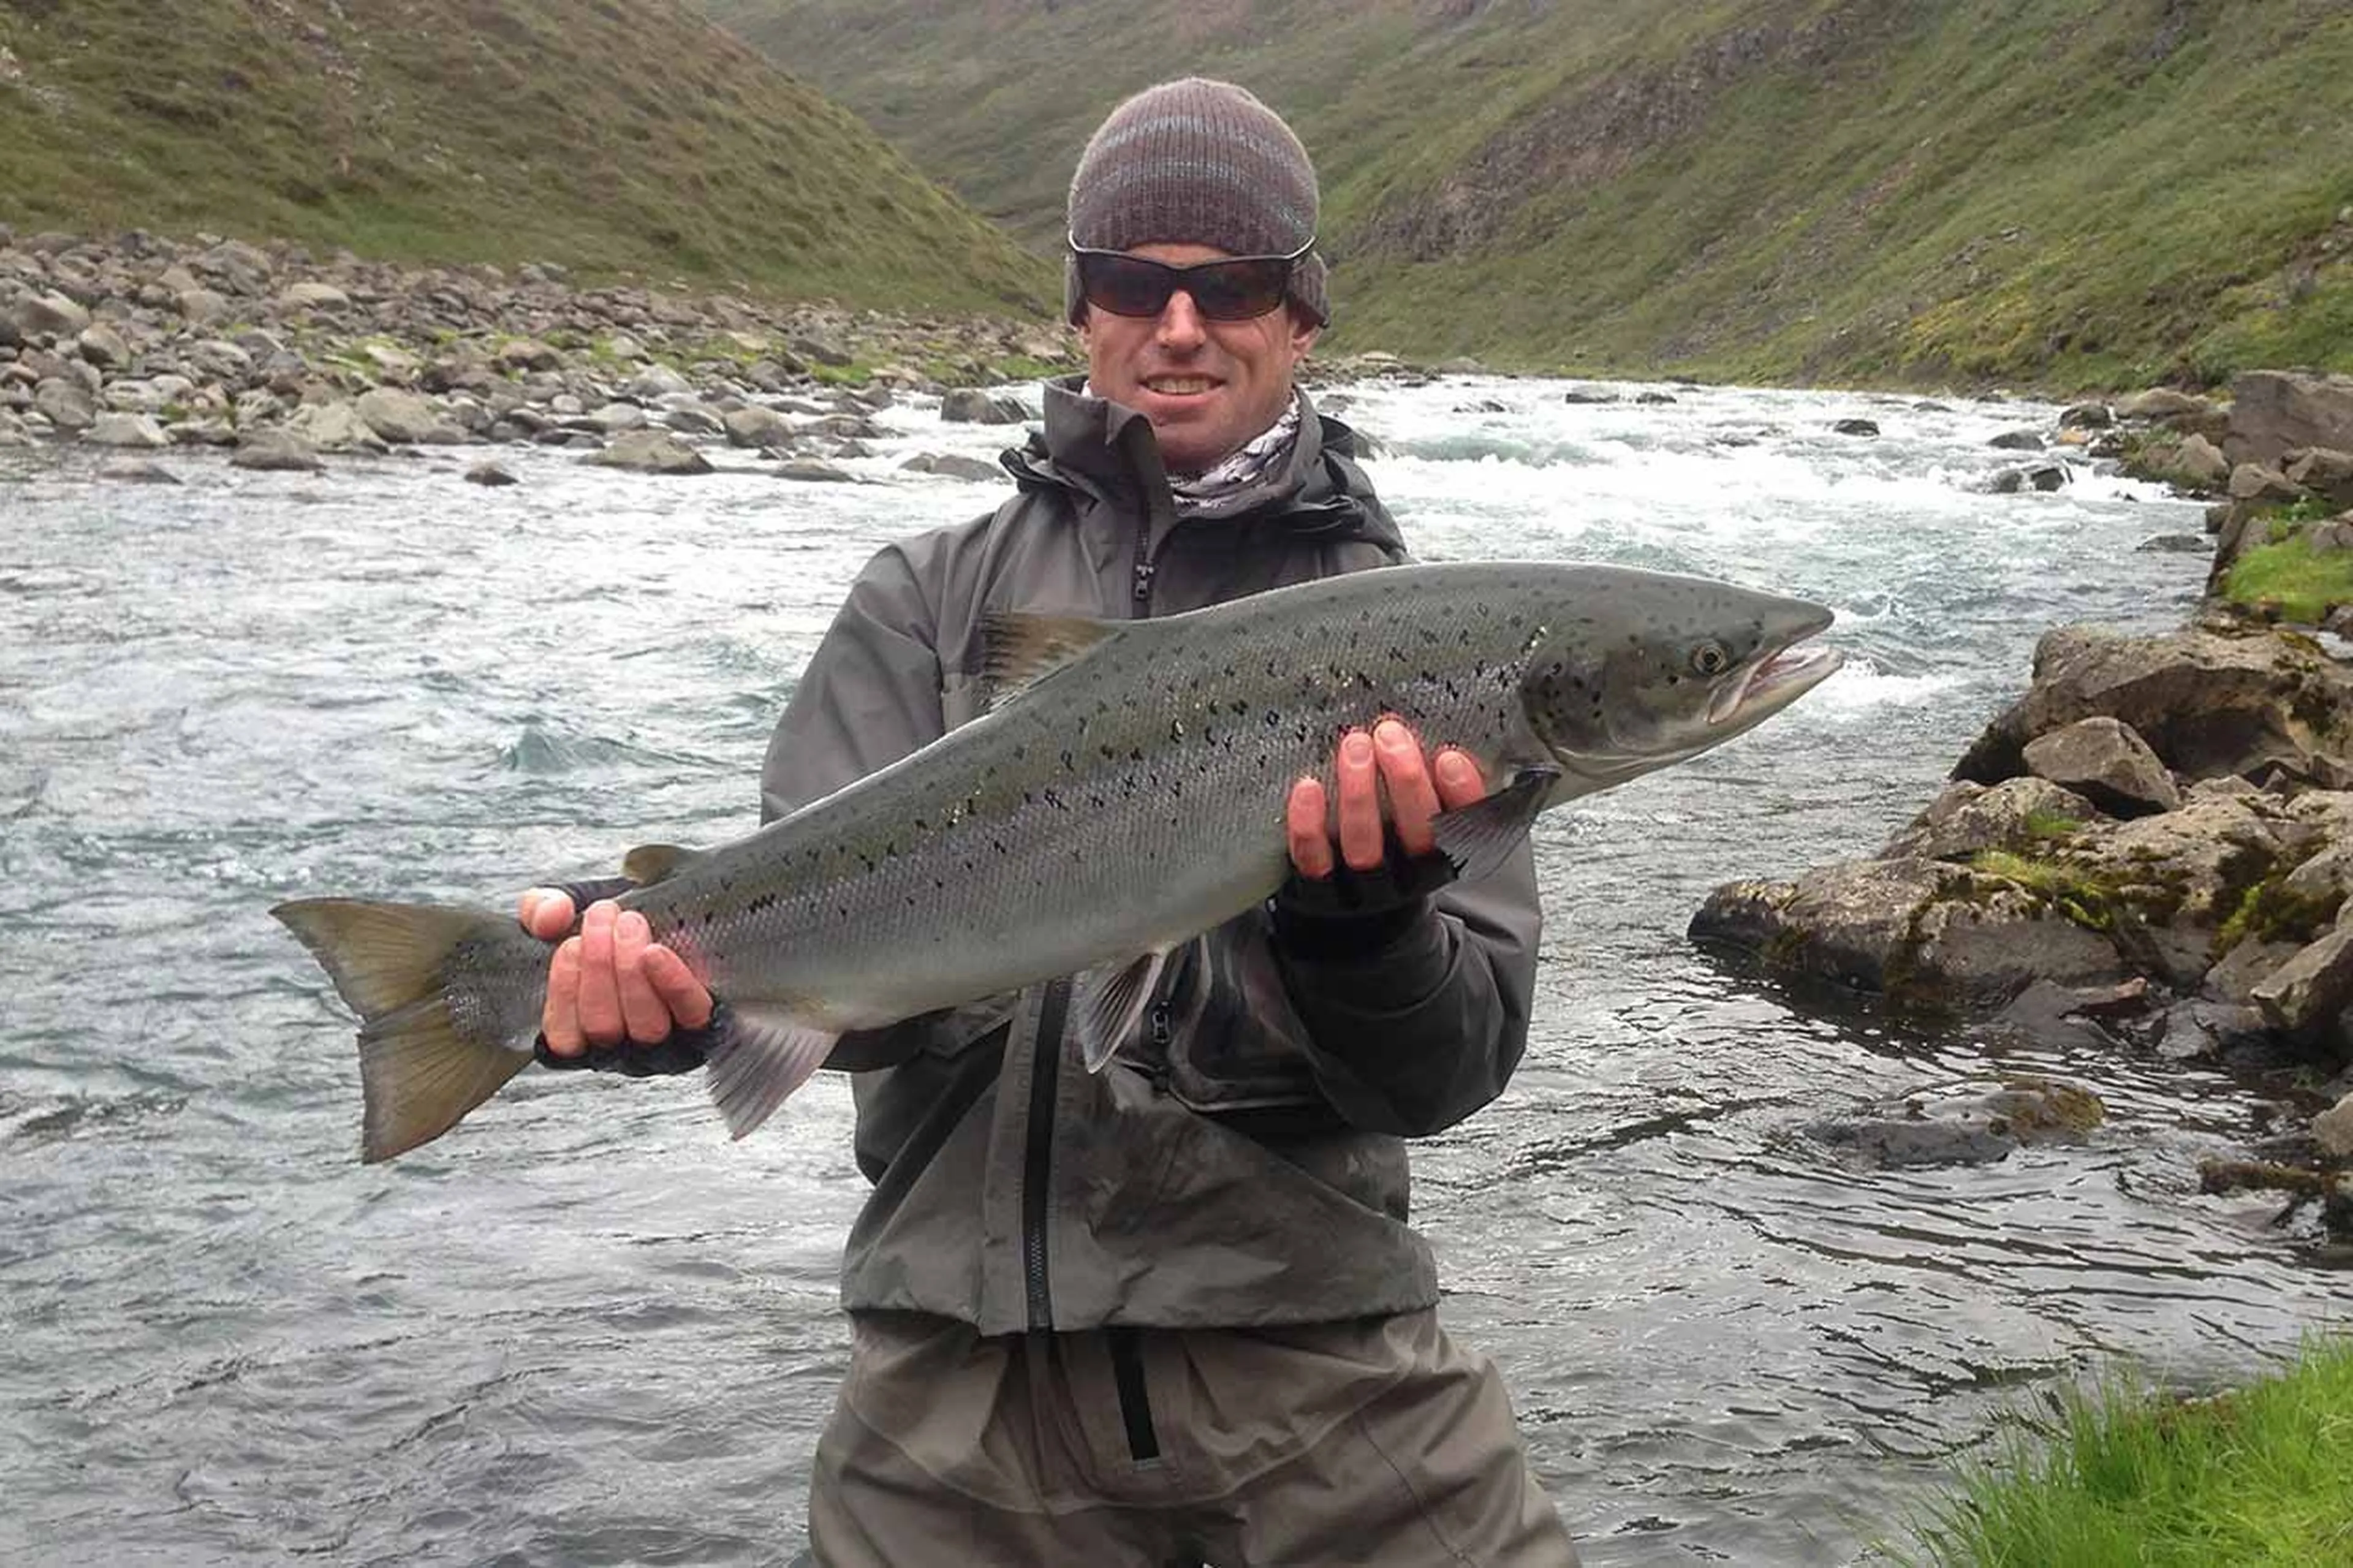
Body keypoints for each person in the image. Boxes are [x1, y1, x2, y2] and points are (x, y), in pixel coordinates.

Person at [520, 78, 1583, 1567]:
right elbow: (848, 979)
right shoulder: (928, 603)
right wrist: (682, 998)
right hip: (946, 1407)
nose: (1181, 325)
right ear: (1082, 312)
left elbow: (1450, 1068)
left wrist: (1364, 931)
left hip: (1324, 1380)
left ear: (1303, 315)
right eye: (1134, 285)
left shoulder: (1415, 641)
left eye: (1233, 288)